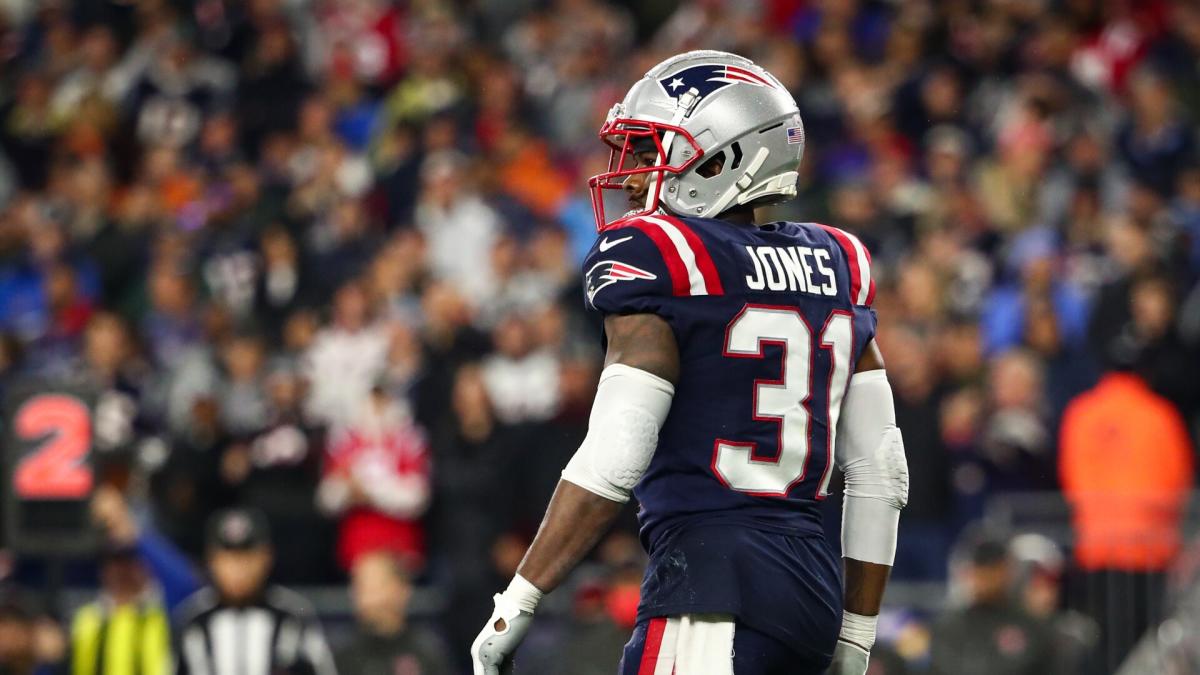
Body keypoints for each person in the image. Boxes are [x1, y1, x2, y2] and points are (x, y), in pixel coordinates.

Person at [470, 51, 908, 675]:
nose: (631, 175)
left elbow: (618, 452)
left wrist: (517, 601)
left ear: (724, 157)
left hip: (710, 586)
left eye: (652, 153)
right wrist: (858, 634)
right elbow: (881, 472)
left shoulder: (663, 255)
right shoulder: (838, 262)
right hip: (810, 591)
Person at [174, 508, 336, 675]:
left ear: (267, 557)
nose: (238, 569)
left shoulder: (294, 615)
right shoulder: (191, 620)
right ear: (211, 560)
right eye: (229, 558)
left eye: (247, 557)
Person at [928, 533, 1054, 675]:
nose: (987, 576)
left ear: (1007, 569)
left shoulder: (1031, 626)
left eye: (993, 567)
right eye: (981, 568)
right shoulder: (948, 626)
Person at [333, 551, 451, 675]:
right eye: (359, 586)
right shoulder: (340, 655)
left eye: (375, 587)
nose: (365, 598)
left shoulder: (427, 651)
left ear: (402, 590)